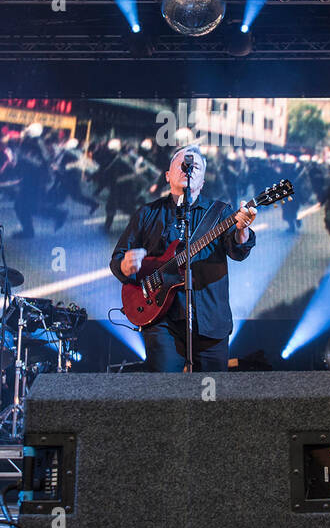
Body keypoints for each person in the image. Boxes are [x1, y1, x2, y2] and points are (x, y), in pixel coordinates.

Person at [110, 145, 257, 372]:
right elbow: (118, 258)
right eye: (182, 165)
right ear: (168, 176)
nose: (188, 169)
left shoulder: (220, 212)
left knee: (212, 398)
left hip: (210, 321)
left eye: (195, 166)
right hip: (162, 320)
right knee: (165, 394)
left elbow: (238, 251)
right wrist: (125, 264)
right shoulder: (148, 213)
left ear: (203, 180)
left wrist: (242, 230)